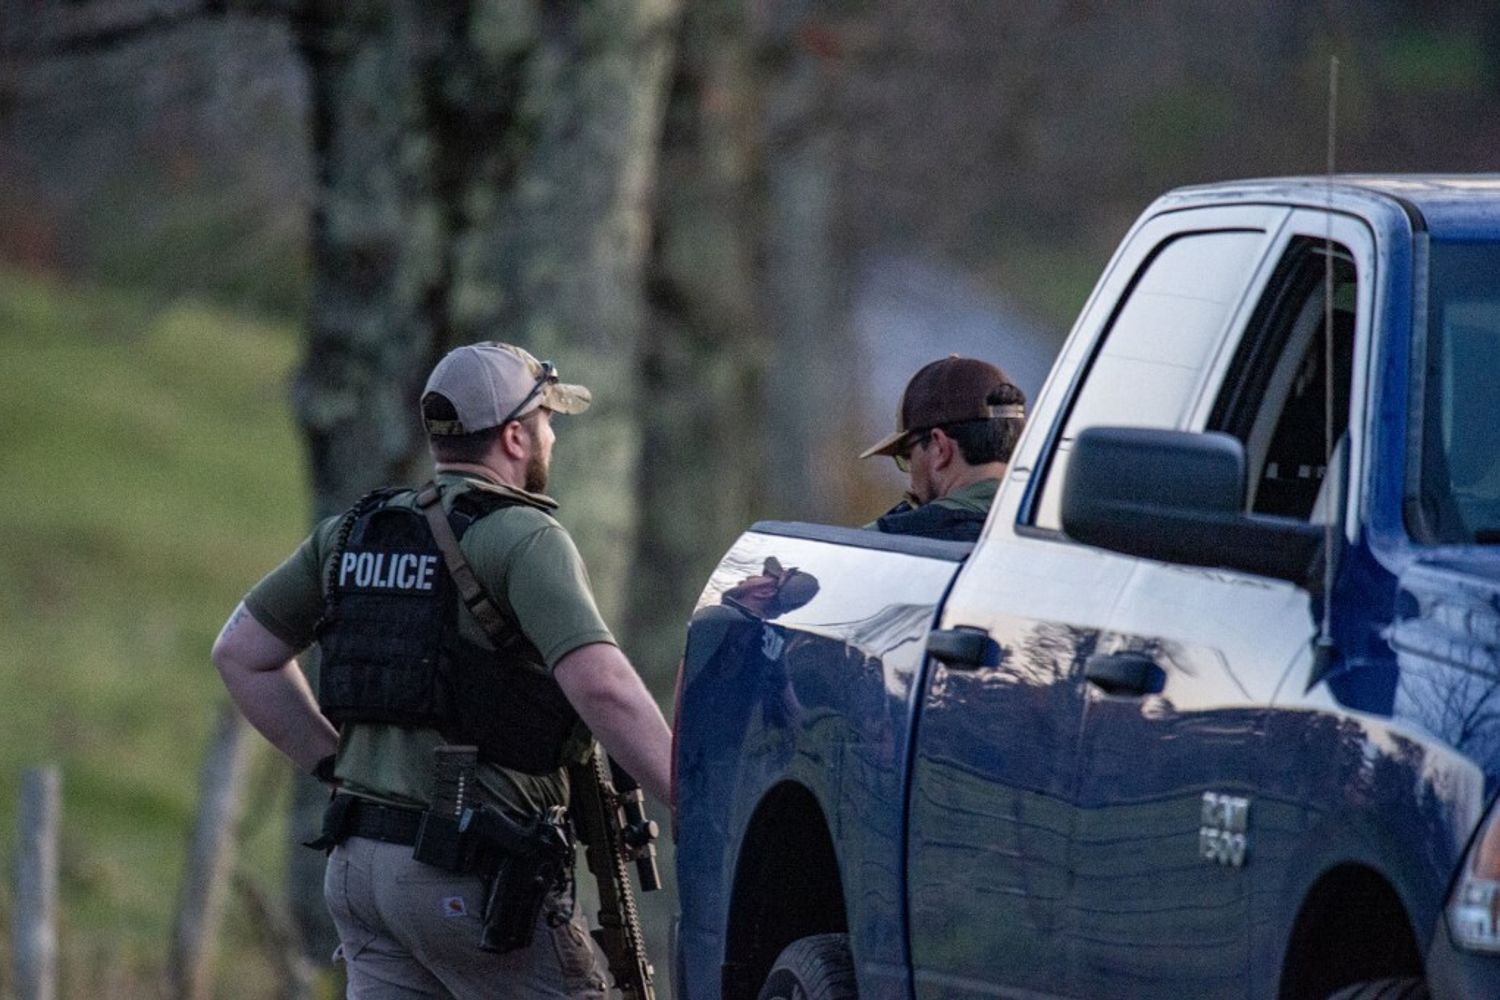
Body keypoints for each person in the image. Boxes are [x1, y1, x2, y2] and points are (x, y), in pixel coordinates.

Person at [210, 342, 672, 999]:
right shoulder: (523, 538)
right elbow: (603, 685)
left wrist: (336, 767)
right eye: (547, 421)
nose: (552, 437)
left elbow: (240, 655)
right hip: (468, 877)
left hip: (359, 871)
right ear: (515, 436)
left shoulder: (353, 534)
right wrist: (688, 794)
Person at [859, 355, 1026, 541]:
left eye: (907, 456)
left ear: (940, 448)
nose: (911, 483)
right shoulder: (1056, 532)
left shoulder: (880, 542)